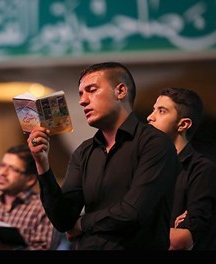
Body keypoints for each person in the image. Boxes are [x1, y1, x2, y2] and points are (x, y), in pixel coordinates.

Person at [27, 62, 179, 250]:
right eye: (81, 93)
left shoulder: (155, 143)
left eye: (91, 90)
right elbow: (63, 220)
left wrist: (83, 224)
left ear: (120, 91)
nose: (82, 100)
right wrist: (42, 163)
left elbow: (132, 212)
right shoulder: (84, 151)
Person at [147, 87, 216, 250]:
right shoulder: (147, 169)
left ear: (183, 124)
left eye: (161, 111)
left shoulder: (203, 171)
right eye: (153, 110)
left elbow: (180, 241)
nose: (150, 117)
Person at [0, 145, 60, 250]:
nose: (2, 173)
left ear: (30, 179)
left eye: (13, 169)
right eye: (2, 165)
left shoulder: (43, 209)